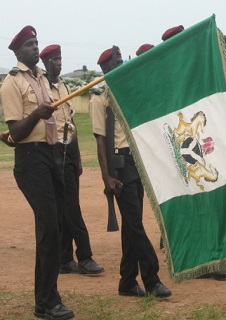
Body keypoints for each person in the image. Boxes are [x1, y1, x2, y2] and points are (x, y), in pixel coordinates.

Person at [1, 26, 74, 319]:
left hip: (52, 154)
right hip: (30, 160)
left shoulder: (43, 79)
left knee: (54, 226)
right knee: (50, 227)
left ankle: (46, 298)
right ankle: (46, 301)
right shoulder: (11, 84)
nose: (35, 47)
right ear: (18, 52)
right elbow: (15, 133)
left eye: (36, 43)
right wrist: (37, 114)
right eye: (29, 44)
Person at [89, 46, 172, 298]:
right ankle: (152, 278)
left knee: (130, 225)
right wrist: (106, 177)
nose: (122, 63)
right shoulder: (98, 97)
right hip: (118, 167)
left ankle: (126, 281)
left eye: (122, 59)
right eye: (116, 61)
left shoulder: (125, 89)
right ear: (105, 68)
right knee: (135, 225)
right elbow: (100, 140)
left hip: (134, 163)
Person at [160, 26, 226, 281]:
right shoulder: (164, 76)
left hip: (195, 146)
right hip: (175, 149)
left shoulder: (190, 73)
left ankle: (205, 257)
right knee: (186, 200)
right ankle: (192, 257)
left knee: (202, 198)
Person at [39, 44, 104, 275]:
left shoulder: (65, 87)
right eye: (55, 60)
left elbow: (71, 124)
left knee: (68, 206)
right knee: (69, 208)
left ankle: (65, 259)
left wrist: (77, 158)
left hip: (69, 151)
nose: (59, 63)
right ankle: (84, 257)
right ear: (45, 62)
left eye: (60, 59)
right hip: (52, 152)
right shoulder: (41, 88)